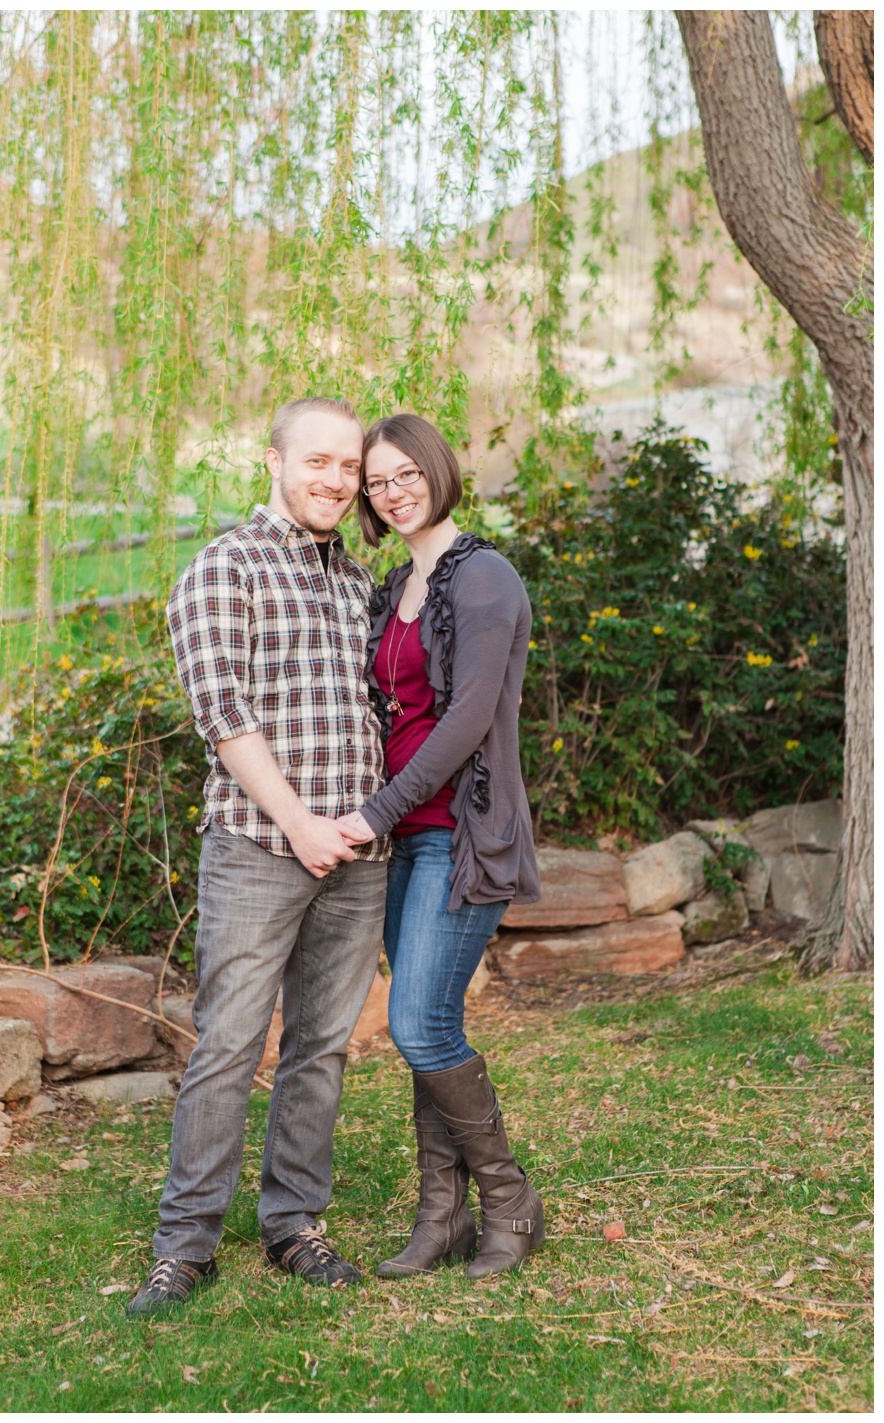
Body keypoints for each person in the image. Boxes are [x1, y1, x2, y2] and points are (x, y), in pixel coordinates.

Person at [126, 396, 390, 1317]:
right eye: (317, 461)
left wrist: (359, 824)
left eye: (349, 468)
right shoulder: (221, 570)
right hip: (256, 847)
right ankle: (184, 1244)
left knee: (322, 1046)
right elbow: (222, 714)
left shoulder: (361, 586)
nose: (334, 480)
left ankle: (294, 1224)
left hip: (360, 854)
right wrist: (303, 824)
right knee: (230, 1044)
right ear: (272, 460)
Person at [335, 411, 544, 1279]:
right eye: (376, 482)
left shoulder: (484, 578)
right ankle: (441, 1214)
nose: (392, 490)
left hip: (459, 836)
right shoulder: (395, 587)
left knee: (419, 1024)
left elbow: (462, 723)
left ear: (436, 469)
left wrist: (379, 810)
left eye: (404, 473)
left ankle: (510, 1201)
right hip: (403, 842)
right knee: (432, 1023)